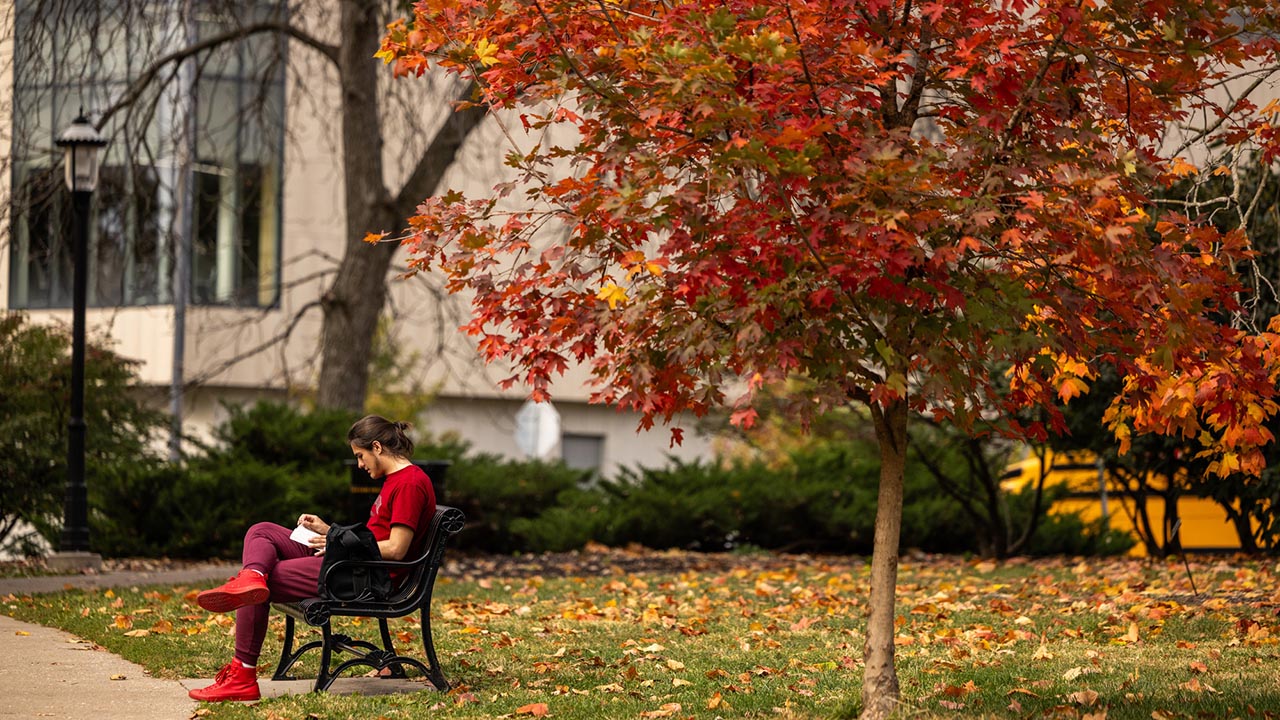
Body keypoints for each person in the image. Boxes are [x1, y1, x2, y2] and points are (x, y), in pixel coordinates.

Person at [188, 415, 437, 702]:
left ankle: (242, 677)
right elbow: (374, 537)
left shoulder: (409, 483)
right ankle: (251, 575)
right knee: (262, 531)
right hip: (355, 563)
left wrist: (335, 544)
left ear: (377, 447)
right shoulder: (398, 480)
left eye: (360, 455)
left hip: (367, 577)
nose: (359, 464)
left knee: (262, 585)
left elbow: (396, 549)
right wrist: (330, 532)